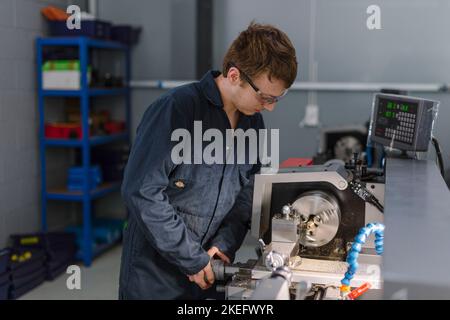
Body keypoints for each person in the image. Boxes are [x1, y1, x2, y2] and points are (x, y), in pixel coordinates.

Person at [119, 22, 298, 299]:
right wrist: (191, 258)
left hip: (213, 269)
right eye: (264, 96)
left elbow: (246, 195)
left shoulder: (253, 123)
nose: (270, 106)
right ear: (235, 75)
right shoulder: (176, 110)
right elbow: (142, 192)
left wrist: (224, 245)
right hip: (156, 276)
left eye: (277, 98)